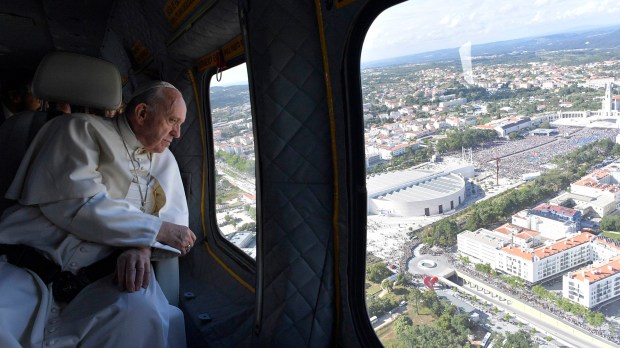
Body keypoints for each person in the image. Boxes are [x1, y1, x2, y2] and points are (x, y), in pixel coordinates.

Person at [0, 81, 196, 347]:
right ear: (141, 114)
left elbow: (172, 221)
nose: (178, 133)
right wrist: (153, 231)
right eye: (173, 120)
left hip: (107, 277)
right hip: (30, 261)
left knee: (141, 317)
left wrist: (142, 247)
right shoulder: (78, 129)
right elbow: (76, 203)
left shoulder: (167, 161)